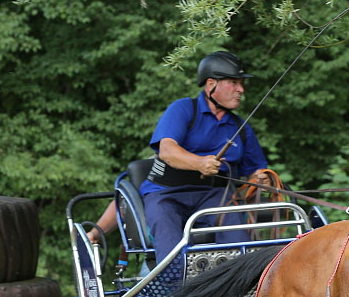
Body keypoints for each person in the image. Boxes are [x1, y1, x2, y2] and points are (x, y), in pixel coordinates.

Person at [88, 51, 269, 262]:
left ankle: (241, 283)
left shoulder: (241, 127)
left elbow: (256, 170)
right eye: (234, 83)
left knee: (240, 242)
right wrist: (200, 163)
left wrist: (261, 178)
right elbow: (167, 150)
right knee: (170, 243)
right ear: (211, 84)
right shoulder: (183, 109)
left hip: (214, 196)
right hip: (166, 194)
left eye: (241, 84)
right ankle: (175, 288)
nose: (241, 90)